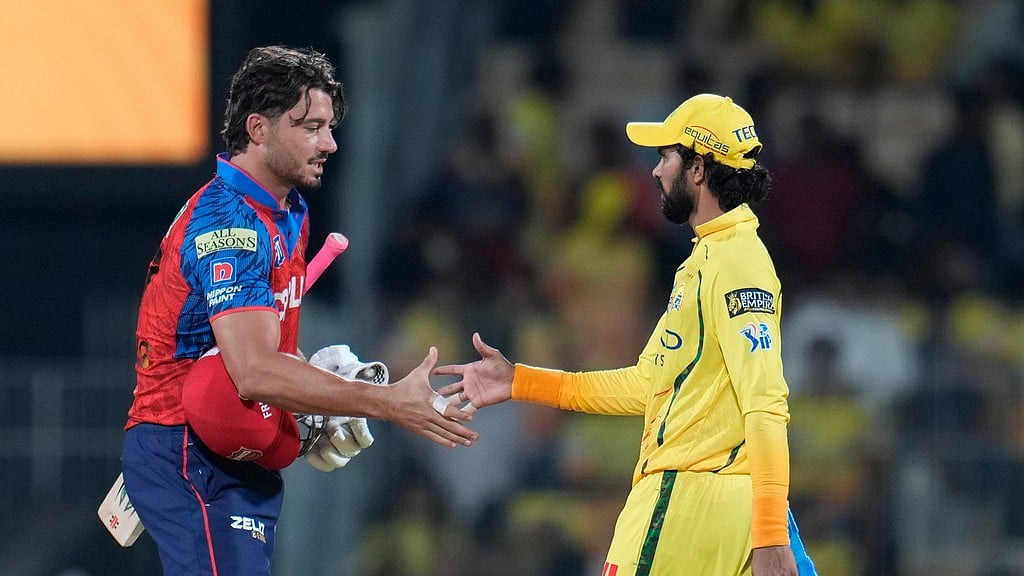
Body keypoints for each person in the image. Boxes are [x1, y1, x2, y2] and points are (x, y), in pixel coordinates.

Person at [120, 45, 476, 575]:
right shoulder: (230, 226)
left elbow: (263, 345)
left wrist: (311, 388)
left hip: (238, 447)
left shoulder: (288, 210)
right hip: (189, 450)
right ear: (258, 129)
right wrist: (382, 402)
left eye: (329, 127)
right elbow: (254, 371)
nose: (329, 143)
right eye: (310, 126)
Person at [436, 94, 817, 575]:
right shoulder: (713, 258)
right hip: (728, 503)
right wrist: (520, 382)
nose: (655, 172)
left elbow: (765, 402)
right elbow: (646, 385)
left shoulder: (736, 264)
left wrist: (769, 537)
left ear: (698, 168)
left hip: (686, 505)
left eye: (664, 157)